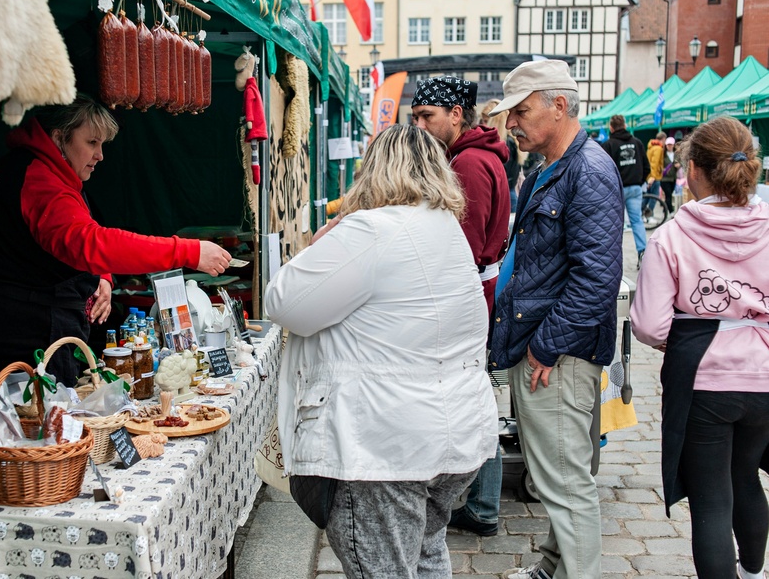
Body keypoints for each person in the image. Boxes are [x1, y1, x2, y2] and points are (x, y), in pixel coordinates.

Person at [265, 124, 499, 578]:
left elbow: (284, 302)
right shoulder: (445, 227)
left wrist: (320, 244)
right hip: (452, 435)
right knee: (426, 551)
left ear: (374, 170)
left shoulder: (372, 230)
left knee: (386, 567)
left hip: (386, 444)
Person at [0, 95, 231, 385]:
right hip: (13, 334)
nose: (100, 155)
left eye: (101, 144)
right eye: (91, 143)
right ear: (60, 137)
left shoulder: (33, 167)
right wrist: (188, 251)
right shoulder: (42, 183)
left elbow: (78, 233)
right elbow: (90, 243)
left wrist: (101, 274)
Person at [487, 59, 624, 579]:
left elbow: (597, 279)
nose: (512, 124)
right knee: (560, 476)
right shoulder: (556, 165)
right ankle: (553, 568)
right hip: (549, 348)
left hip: (559, 356)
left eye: (521, 111)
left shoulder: (586, 170)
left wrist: (546, 346)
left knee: (566, 485)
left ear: (559, 105)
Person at [630, 116, 769, 579]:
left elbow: (649, 325)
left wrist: (688, 339)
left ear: (692, 172)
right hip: (764, 375)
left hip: (706, 380)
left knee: (711, 499)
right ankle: (752, 573)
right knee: (747, 476)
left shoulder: (672, 236)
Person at [411, 79, 511, 538]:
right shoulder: (470, 156)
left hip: (469, 292)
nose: (419, 126)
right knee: (477, 393)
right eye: (415, 117)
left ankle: (483, 503)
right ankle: (482, 501)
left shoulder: (468, 163)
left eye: (427, 116)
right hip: (476, 289)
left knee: (474, 396)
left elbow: (462, 249)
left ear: (456, 114)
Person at [601, 114, 651, 267]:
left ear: (611, 128)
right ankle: (643, 253)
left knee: (614, 224)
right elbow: (647, 167)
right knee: (637, 221)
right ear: (625, 126)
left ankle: (611, 259)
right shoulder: (637, 143)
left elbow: (602, 170)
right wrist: (638, 181)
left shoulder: (608, 145)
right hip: (635, 187)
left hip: (617, 189)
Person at [481, 98, 527, 213]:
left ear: (495, 121)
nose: (483, 124)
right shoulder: (513, 141)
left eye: (486, 120)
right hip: (510, 193)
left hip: (504, 195)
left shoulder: (504, 144)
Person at [643, 131, 667, 216]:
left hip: (649, 176)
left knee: (647, 196)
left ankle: (641, 213)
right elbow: (654, 163)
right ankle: (649, 215)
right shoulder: (658, 148)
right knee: (654, 196)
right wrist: (653, 177)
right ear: (663, 139)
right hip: (654, 177)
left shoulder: (651, 147)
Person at [660, 136, 680, 214]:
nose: (669, 146)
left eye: (671, 144)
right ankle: (671, 211)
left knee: (669, 194)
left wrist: (679, 165)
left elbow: (679, 162)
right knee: (668, 195)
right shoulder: (662, 155)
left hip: (673, 178)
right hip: (665, 179)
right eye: (668, 145)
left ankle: (664, 209)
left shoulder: (676, 154)